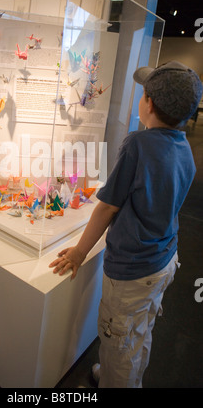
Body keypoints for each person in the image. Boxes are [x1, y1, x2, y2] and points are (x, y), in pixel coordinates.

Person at [49, 61, 203, 388]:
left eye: (143, 92)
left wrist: (78, 252)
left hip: (132, 270)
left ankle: (119, 379)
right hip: (164, 260)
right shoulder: (185, 148)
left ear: (148, 103)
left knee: (119, 340)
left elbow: (106, 207)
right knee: (139, 331)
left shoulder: (138, 144)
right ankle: (120, 374)